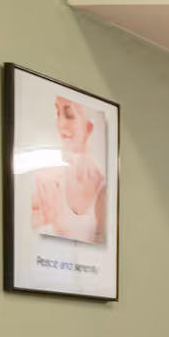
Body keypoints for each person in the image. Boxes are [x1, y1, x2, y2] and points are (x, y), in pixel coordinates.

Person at [29, 96, 107, 244]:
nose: (61, 124)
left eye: (70, 114)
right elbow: (29, 244)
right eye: (58, 113)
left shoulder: (105, 189)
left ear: (89, 127)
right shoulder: (45, 183)